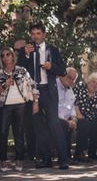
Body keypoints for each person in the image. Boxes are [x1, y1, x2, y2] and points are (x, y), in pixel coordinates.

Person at [18, 22, 69, 169]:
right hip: (33, 92)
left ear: (44, 34)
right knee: (38, 126)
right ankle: (46, 159)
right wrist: (26, 55)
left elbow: (63, 71)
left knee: (55, 124)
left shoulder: (52, 50)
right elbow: (20, 71)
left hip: (48, 90)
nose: (35, 37)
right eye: (33, 34)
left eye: (38, 33)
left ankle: (63, 160)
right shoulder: (25, 50)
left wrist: (51, 67)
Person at [0, 47, 37, 172]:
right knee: (2, 133)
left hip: (20, 105)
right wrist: (5, 84)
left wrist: (35, 101)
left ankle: (19, 159)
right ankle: (3, 160)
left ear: (13, 56)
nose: (6, 57)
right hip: (4, 106)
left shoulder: (21, 70)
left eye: (8, 54)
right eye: (3, 55)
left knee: (19, 133)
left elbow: (32, 85)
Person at [74, 72, 97, 162]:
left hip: (92, 116)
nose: (95, 85)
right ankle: (78, 153)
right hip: (80, 115)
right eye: (93, 82)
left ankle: (92, 153)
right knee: (84, 125)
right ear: (88, 81)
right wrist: (78, 113)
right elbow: (74, 100)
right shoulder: (80, 87)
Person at [56, 68, 79, 164]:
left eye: (73, 79)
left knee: (84, 123)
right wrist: (67, 122)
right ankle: (64, 157)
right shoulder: (54, 86)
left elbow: (72, 105)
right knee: (64, 125)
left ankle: (78, 154)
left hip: (67, 118)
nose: (71, 81)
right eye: (69, 77)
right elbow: (55, 108)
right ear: (63, 74)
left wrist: (73, 118)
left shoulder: (70, 90)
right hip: (54, 117)